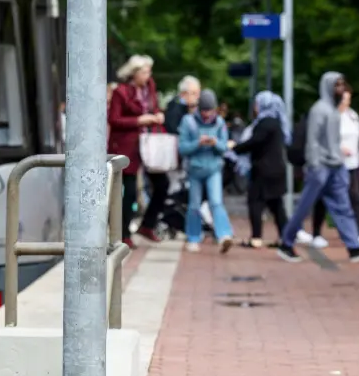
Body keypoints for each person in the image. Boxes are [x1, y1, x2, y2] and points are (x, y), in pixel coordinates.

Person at [277, 72, 359, 264]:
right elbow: (313, 140)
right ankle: (286, 242)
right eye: (337, 85)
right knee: (305, 207)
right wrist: (315, 164)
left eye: (342, 85)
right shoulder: (320, 110)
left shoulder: (333, 110)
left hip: (335, 165)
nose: (341, 89)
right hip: (321, 167)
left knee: (343, 208)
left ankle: (354, 247)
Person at [304, 83, 359, 247]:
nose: (346, 102)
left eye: (348, 99)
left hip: (352, 163)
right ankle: (317, 232)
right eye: (343, 99)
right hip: (332, 163)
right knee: (324, 198)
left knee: (355, 196)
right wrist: (338, 148)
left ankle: (358, 230)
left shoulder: (352, 115)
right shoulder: (328, 116)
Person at [107, 54, 168, 247]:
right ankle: (123, 233)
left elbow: (154, 107)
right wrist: (139, 120)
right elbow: (114, 119)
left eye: (149, 71)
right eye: (144, 72)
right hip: (127, 146)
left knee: (162, 184)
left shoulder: (150, 89)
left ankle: (147, 224)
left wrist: (158, 115)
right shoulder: (121, 92)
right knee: (130, 192)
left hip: (149, 145)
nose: (148, 75)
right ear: (134, 74)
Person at [228, 91, 289, 248]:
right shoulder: (277, 122)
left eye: (256, 103)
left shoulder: (264, 123)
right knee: (277, 206)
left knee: (255, 202)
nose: (254, 107)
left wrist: (235, 147)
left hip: (263, 170)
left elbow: (254, 142)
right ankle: (285, 237)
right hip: (277, 170)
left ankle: (256, 238)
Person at [178, 89, 234, 253]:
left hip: (214, 169)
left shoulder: (220, 123)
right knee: (194, 205)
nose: (207, 114)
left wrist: (215, 143)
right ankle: (193, 237)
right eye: (204, 110)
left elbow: (224, 147)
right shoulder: (188, 121)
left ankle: (224, 236)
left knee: (216, 202)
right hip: (195, 170)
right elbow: (182, 148)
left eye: (210, 110)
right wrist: (198, 143)